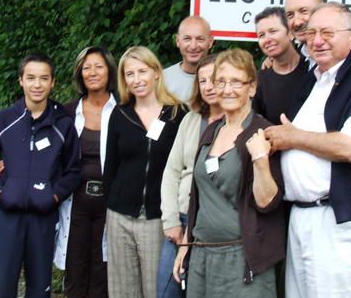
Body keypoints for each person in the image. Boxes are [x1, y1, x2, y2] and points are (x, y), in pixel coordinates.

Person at [265, 2, 351, 297]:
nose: (317, 40)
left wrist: (292, 138)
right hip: (305, 217)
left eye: (328, 32)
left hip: (341, 218)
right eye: (312, 32)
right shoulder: (314, 81)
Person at [173, 48, 285, 297]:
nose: (226, 89)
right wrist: (186, 245)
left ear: (252, 87)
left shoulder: (263, 132)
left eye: (236, 81)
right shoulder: (211, 132)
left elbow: (267, 201)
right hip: (202, 254)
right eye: (220, 81)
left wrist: (260, 159)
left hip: (242, 258)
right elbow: (198, 197)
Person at [0, 53, 82, 298]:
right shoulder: (3, 120)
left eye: (44, 78)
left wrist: (54, 196)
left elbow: (74, 170)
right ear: (21, 81)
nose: (37, 84)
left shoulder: (62, 124)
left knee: (39, 289)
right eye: (30, 78)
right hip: (7, 218)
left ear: (53, 82)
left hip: (43, 219)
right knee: (0, 288)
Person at [103, 46, 186, 298]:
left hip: (157, 218)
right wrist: (109, 210)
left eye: (142, 71)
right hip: (120, 215)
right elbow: (111, 168)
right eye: (130, 74)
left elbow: (182, 168)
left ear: (156, 73)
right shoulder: (120, 114)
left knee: (155, 289)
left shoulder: (176, 113)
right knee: (122, 290)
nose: (136, 79)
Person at [53, 47, 117, 298]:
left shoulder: (124, 109)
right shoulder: (66, 113)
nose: (92, 72)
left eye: (98, 66)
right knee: (75, 269)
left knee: (104, 270)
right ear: (80, 73)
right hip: (75, 202)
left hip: (110, 204)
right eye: (87, 67)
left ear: (109, 70)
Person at [157, 54, 223, 298]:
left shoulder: (237, 124)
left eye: (214, 79)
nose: (208, 86)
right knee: (167, 290)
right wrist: (171, 220)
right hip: (182, 218)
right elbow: (172, 171)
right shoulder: (191, 120)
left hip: (212, 226)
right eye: (202, 81)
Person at [252, 7, 309, 125]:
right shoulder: (260, 81)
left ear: (290, 33)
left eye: (273, 31)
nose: (267, 39)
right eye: (261, 35)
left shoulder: (314, 70)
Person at [164, 16, 214, 102]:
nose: (193, 46)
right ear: (178, 41)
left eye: (200, 39)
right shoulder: (163, 80)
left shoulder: (222, 78)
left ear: (210, 42)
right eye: (187, 39)